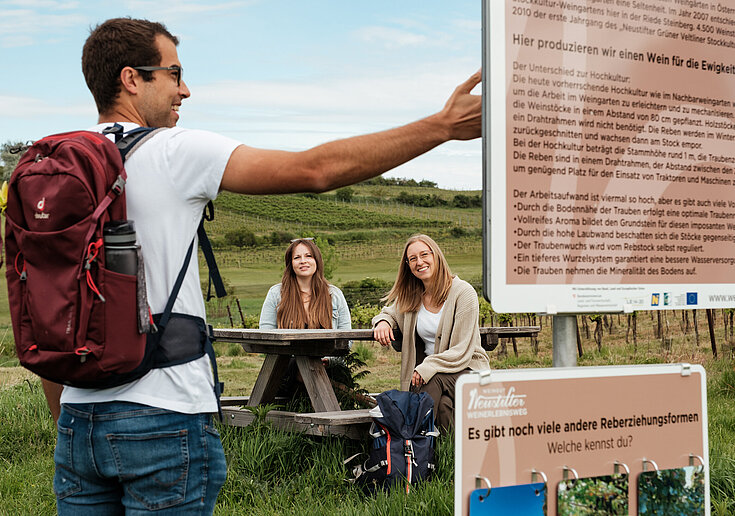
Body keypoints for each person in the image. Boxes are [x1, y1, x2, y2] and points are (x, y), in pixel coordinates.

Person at [41, 17, 481, 514]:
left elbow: (47, 302)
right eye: (173, 73)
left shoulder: (55, 167)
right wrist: (442, 126)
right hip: (163, 417)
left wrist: (67, 416)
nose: (185, 89)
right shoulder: (175, 151)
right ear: (131, 78)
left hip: (79, 422)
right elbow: (315, 170)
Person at [372, 234, 489, 431]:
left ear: (436, 256)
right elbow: (389, 313)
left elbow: (461, 350)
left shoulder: (463, 293)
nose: (420, 262)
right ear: (408, 265)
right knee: (443, 407)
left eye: (424, 254)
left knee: (430, 379)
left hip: (467, 370)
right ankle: (444, 455)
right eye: (413, 259)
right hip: (428, 376)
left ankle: (408, 443)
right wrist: (382, 322)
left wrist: (428, 366)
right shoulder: (412, 296)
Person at [259, 238, 351, 398]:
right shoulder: (276, 294)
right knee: (296, 366)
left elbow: (346, 339)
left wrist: (328, 360)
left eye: (308, 256)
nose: (303, 261)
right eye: (297, 257)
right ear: (290, 263)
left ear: (317, 260)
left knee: (341, 371)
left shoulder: (334, 295)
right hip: (287, 368)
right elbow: (266, 336)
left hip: (327, 365)